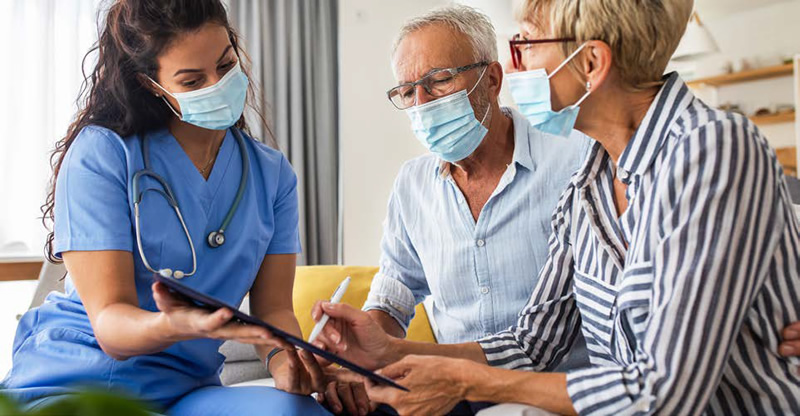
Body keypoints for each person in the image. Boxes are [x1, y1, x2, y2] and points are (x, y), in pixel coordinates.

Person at [312, 0, 800, 414]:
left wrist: (463, 383)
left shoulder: (713, 147)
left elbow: (664, 392)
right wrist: (392, 350)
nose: (515, 65)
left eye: (526, 44)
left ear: (591, 63)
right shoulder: (590, 178)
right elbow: (534, 342)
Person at [1, 1, 329, 414]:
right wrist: (173, 325)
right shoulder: (103, 154)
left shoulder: (272, 174)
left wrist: (286, 363)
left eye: (226, 67)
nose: (217, 85)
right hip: (77, 378)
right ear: (152, 85)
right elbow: (110, 324)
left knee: (299, 412)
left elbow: (275, 310)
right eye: (193, 81)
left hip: (186, 389)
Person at [319, 6, 590, 415]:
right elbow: (393, 298)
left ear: (493, 80)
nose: (421, 104)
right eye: (408, 92)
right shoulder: (412, 186)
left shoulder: (572, 160)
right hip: (448, 392)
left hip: (550, 394)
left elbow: (539, 343)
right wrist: (356, 355)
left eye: (439, 81)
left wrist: (391, 353)